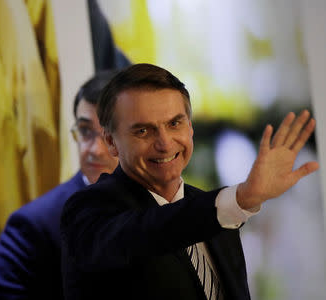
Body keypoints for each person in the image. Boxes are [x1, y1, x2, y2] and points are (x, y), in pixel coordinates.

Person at [60, 63, 319, 300]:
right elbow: (149, 231)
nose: (164, 143)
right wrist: (240, 199)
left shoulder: (215, 210)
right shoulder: (88, 210)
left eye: (175, 123)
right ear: (111, 142)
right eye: (143, 131)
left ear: (190, 128)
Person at [0, 71, 119, 299]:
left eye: (109, 134)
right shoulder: (30, 228)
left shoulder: (166, 204)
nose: (95, 149)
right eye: (85, 131)